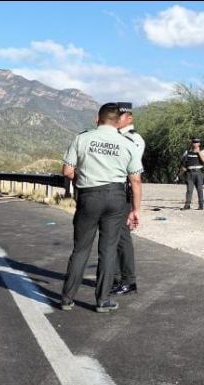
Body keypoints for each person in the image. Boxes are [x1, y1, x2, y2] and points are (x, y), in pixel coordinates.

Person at [60, 103, 143, 313]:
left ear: (97, 118)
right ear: (118, 121)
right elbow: (135, 180)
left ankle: (67, 298)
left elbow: (67, 171)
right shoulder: (128, 143)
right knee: (108, 249)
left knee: (81, 248)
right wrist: (135, 210)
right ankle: (103, 300)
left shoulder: (82, 138)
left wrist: (83, 177)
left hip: (89, 196)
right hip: (116, 198)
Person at [111, 102, 145, 296]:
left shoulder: (133, 139)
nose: (116, 119)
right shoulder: (116, 136)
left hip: (124, 190)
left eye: (120, 116)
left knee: (122, 236)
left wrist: (135, 207)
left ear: (129, 118)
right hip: (113, 190)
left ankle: (128, 280)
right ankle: (115, 277)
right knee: (113, 236)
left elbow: (132, 171)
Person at [180, 138, 204, 210]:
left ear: (199, 143)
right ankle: (187, 205)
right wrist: (183, 169)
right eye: (194, 142)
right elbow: (182, 161)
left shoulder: (202, 151)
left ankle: (201, 205)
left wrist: (198, 152)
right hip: (189, 172)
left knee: (199, 189)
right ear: (191, 143)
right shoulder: (187, 152)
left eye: (197, 142)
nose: (195, 143)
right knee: (189, 190)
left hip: (198, 172)